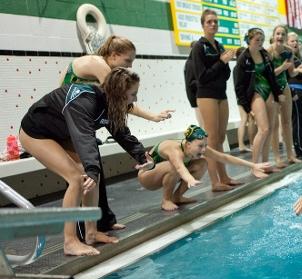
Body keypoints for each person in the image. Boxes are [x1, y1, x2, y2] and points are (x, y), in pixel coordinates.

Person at [19, 68, 154, 256]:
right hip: (37, 133)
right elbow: (84, 137)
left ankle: (91, 232)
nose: (135, 100)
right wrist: (91, 168)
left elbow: (121, 132)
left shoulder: (110, 103)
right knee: (77, 178)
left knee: (92, 176)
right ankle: (70, 241)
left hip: (63, 132)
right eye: (133, 94)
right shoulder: (83, 101)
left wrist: (141, 155)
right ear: (119, 93)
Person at [61, 35, 173, 233]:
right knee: (84, 177)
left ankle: (104, 223)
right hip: (67, 125)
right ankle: (79, 232)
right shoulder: (99, 65)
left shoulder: (105, 67)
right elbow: (120, 101)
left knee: (96, 172)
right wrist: (152, 116)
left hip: (81, 123)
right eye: (128, 60)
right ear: (113, 55)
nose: (130, 66)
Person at [137, 125, 271, 211]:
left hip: (169, 172)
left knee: (202, 162)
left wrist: (253, 165)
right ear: (188, 144)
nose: (204, 149)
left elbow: (223, 157)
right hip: (147, 177)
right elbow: (179, 168)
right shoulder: (174, 149)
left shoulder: (197, 146)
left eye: (205, 145)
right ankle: (166, 200)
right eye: (201, 146)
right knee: (173, 166)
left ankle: (177, 196)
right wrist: (189, 178)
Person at [191, 9, 239, 192]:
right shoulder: (199, 47)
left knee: (220, 137)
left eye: (215, 22)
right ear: (203, 25)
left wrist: (225, 62)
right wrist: (221, 61)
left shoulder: (218, 45)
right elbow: (201, 77)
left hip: (221, 94)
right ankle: (214, 182)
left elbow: (225, 74)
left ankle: (224, 177)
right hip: (206, 95)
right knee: (211, 140)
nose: (213, 24)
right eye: (209, 22)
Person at [234, 28, 284, 173]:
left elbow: (272, 77)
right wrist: (246, 107)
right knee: (264, 129)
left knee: (269, 130)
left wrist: (278, 93)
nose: (260, 43)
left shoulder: (265, 55)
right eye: (257, 40)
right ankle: (254, 167)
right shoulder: (244, 58)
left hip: (268, 91)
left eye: (262, 40)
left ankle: (265, 165)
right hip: (255, 93)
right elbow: (238, 86)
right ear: (249, 40)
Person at [267, 25, 301, 168]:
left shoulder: (288, 51)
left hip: (284, 87)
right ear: (274, 36)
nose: (280, 36)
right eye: (278, 34)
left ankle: (290, 155)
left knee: (287, 123)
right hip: (271, 89)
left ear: (286, 37)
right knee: (274, 125)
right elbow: (267, 74)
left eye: (282, 34)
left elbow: (291, 73)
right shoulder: (268, 51)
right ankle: (277, 158)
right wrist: (282, 68)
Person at [235, 47, 256, 153]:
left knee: (246, 120)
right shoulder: (240, 67)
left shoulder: (243, 66)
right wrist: (243, 100)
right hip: (244, 97)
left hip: (243, 96)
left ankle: (243, 144)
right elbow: (239, 86)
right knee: (247, 119)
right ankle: (248, 144)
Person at [184, 40, 203, 126]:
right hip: (196, 98)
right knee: (203, 124)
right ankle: (203, 139)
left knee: (205, 124)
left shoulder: (196, 62)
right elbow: (191, 83)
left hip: (200, 96)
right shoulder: (190, 63)